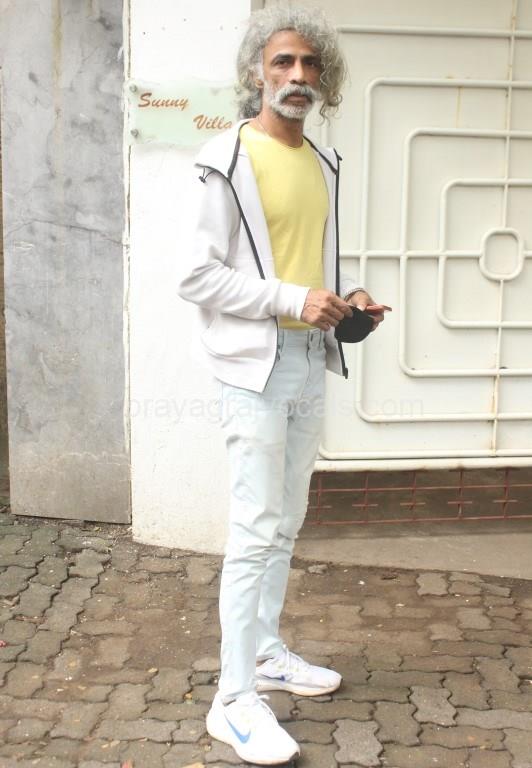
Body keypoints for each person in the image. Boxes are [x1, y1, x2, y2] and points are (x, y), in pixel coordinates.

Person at [177, 5, 387, 764]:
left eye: (310, 64)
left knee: (287, 519)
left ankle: (265, 653)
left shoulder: (322, 161)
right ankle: (232, 698)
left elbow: (308, 263)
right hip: (253, 368)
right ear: (256, 73)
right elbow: (197, 276)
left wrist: (346, 297)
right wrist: (294, 299)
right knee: (255, 526)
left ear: (324, 78)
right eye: (283, 63)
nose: (298, 76)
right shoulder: (226, 157)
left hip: (307, 359)